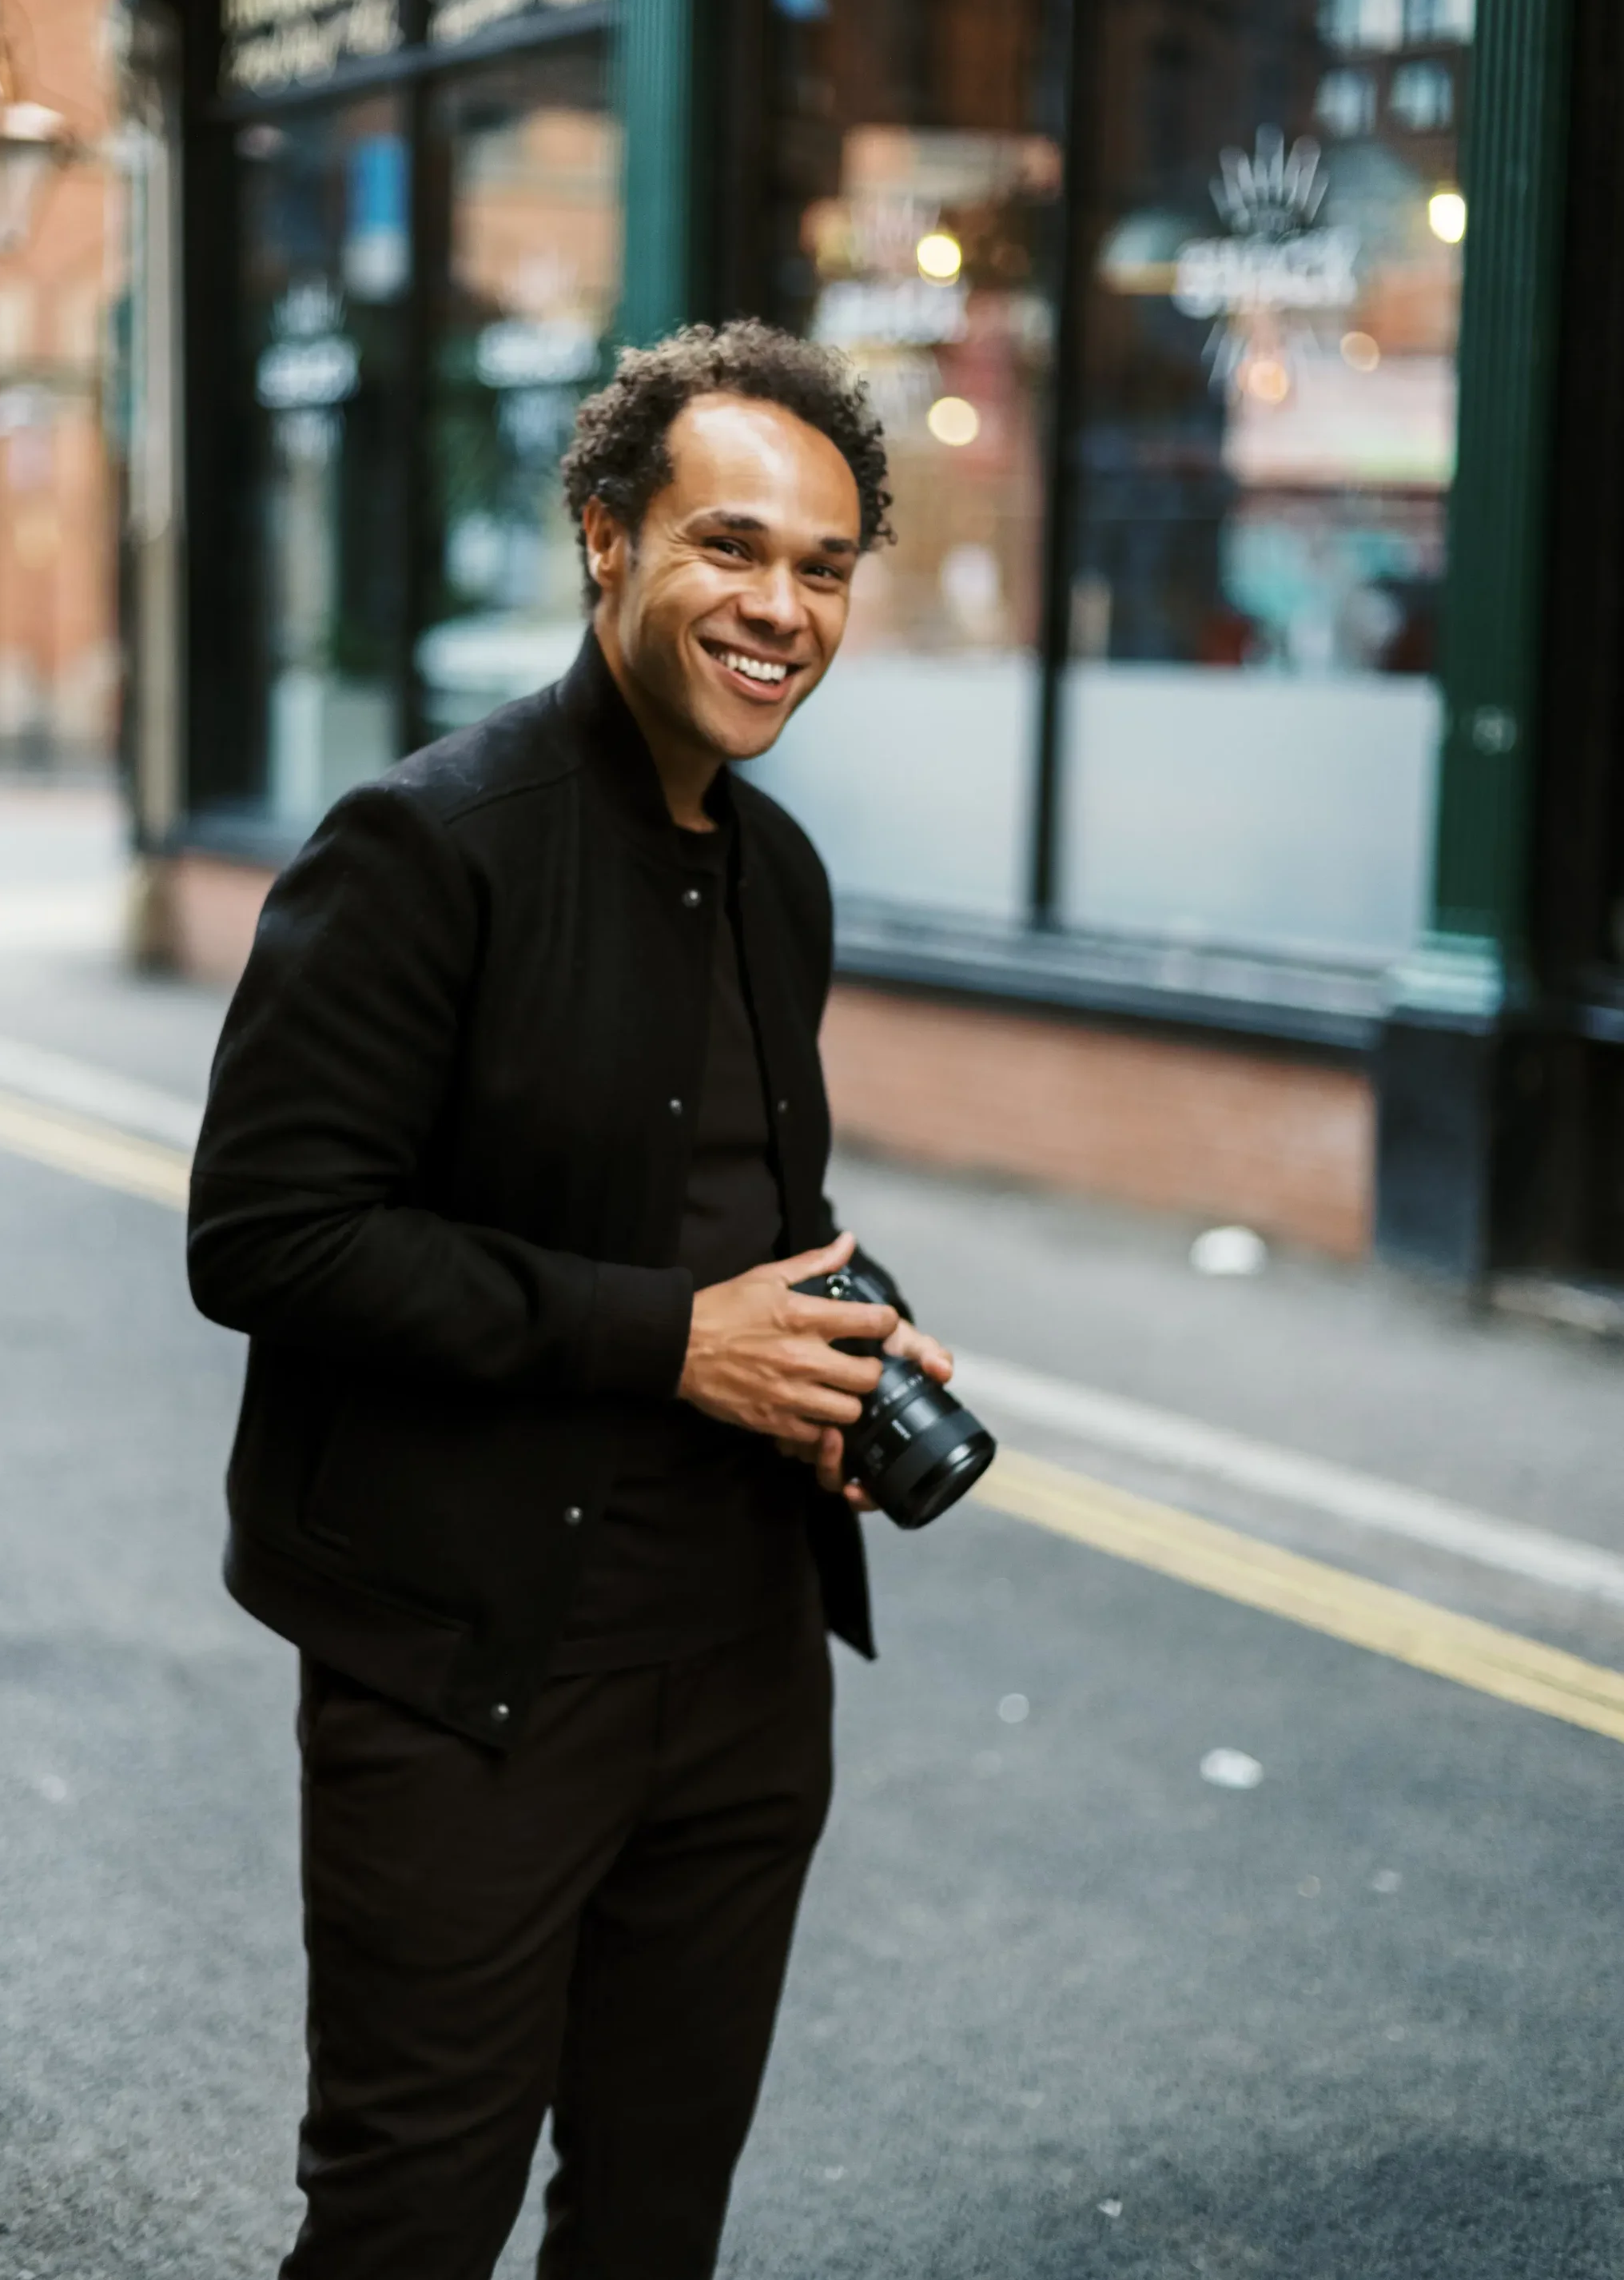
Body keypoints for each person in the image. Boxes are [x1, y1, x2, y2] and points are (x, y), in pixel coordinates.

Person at [188, 321, 957, 2280]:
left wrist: (837, 1350)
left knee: (652, 2220)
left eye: (823, 568)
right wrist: (677, 1341)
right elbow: (266, 1233)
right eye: (729, 547)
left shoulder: (778, 876)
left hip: (744, 1663)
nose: (780, 608)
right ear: (606, 540)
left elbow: (734, 1202)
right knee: (408, 2219)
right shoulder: (426, 846)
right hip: (473, 1670)